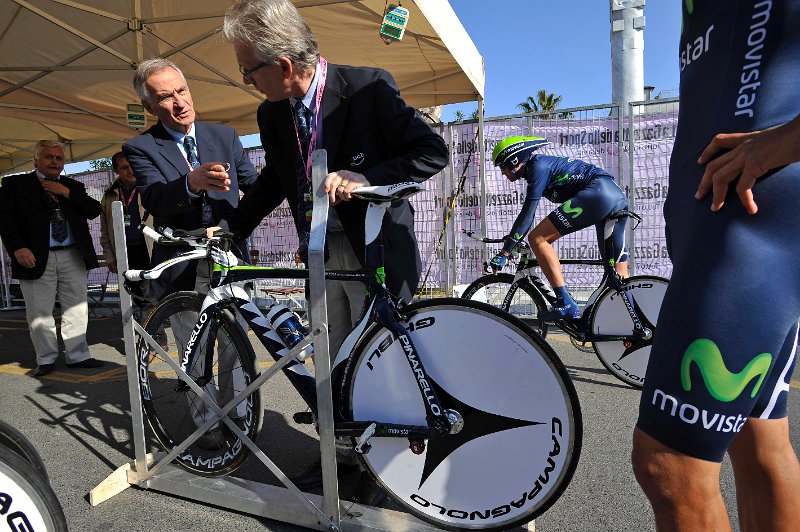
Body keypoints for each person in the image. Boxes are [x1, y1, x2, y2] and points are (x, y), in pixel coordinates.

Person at [219, 0, 448, 502]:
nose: (246, 80)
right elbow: (277, 180)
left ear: (281, 66)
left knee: (382, 362)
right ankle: (342, 463)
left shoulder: (367, 86)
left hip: (377, 249)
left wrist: (368, 179)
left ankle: (392, 469)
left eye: (247, 70)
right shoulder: (271, 111)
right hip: (321, 253)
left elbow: (431, 153)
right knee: (334, 363)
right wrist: (230, 226)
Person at [631, 2, 800, 530]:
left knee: (670, 464)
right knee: (757, 438)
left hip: (751, 218)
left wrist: (785, 140)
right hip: (716, 220)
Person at [122, 57, 259, 449]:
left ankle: (240, 414)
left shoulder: (225, 136)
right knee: (193, 346)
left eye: (181, 90)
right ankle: (206, 424)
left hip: (229, 255)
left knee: (236, 342)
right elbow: (155, 196)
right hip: (181, 260)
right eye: (165, 97)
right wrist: (190, 182)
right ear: (150, 107)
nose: (179, 102)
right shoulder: (141, 146)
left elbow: (253, 186)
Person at [489, 136, 630, 321]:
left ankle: (565, 302)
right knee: (618, 276)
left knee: (538, 238)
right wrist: (515, 237)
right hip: (615, 196)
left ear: (514, 161)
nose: (502, 173)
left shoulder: (537, 167)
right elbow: (528, 218)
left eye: (502, 167)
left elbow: (528, 213)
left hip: (598, 193)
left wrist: (505, 252)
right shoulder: (541, 166)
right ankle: (632, 322)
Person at [0, 140, 103, 377]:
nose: (54, 162)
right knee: (39, 312)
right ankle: (45, 359)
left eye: (59, 158)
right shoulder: (15, 184)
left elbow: (93, 210)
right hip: (34, 257)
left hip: (72, 255)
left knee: (77, 309)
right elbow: (4, 219)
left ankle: (78, 356)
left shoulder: (72, 186)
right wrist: (17, 248)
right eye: (48, 157)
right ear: (36, 159)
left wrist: (65, 193)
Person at [99, 152, 153, 319]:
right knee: (130, 295)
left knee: (149, 295)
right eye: (124, 167)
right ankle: (138, 337)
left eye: (133, 166)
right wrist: (109, 256)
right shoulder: (109, 194)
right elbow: (105, 229)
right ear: (116, 170)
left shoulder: (149, 188)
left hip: (148, 250)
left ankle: (157, 338)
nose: (131, 171)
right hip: (123, 252)